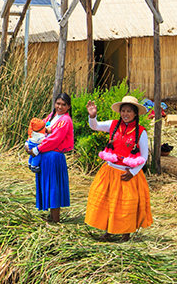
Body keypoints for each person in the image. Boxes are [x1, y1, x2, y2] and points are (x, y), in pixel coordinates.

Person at [85, 95, 152, 241]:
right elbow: (95, 126)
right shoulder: (113, 124)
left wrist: (133, 173)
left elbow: (144, 157)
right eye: (123, 111)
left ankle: (125, 234)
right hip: (109, 171)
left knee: (125, 206)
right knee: (107, 201)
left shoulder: (141, 132)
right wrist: (93, 116)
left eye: (129, 111)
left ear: (135, 113)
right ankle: (108, 232)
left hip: (127, 174)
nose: (125, 114)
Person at [29, 93, 74, 224]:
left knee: (53, 185)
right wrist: (30, 142)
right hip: (46, 155)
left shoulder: (65, 120)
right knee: (47, 184)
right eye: (58, 103)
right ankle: (51, 216)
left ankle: (56, 219)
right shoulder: (52, 116)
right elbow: (40, 129)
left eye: (63, 104)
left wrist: (36, 149)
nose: (60, 106)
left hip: (54, 156)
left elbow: (55, 139)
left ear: (68, 106)